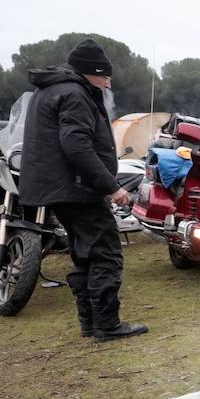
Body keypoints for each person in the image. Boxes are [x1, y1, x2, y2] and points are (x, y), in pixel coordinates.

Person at [21, 39, 147, 342]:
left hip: (59, 188)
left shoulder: (52, 89)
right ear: (90, 72)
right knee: (105, 254)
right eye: (104, 76)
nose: (108, 82)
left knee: (84, 255)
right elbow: (77, 146)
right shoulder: (76, 94)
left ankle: (90, 322)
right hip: (77, 188)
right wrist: (111, 186)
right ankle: (106, 324)